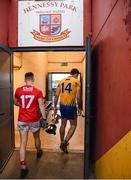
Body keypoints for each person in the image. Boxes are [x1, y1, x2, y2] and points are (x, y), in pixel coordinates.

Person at [14, 72, 46, 178]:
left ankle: (23, 167)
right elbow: (41, 106)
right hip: (34, 119)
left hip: (22, 119)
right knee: (36, 137)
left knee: (23, 143)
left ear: (25, 79)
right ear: (33, 79)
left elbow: (15, 102)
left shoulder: (18, 90)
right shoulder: (38, 91)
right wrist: (44, 119)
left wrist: (23, 106)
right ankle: (38, 151)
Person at [54, 68, 81, 153]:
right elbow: (78, 97)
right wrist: (80, 107)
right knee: (73, 125)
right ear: (76, 74)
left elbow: (56, 95)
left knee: (63, 124)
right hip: (71, 106)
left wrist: (55, 106)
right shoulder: (76, 81)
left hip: (62, 106)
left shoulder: (61, 80)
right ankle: (65, 143)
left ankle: (61, 142)